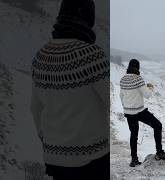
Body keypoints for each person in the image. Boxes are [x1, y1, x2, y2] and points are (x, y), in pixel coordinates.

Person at [30, 0, 109, 179]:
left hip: (53, 158)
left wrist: (48, 140)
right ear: (88, 18)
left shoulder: (40, 57)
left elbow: (35, 108)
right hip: (91, 158)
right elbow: (111, 101)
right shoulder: (92, 56)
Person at [120, 59, 165, 167]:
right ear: (137, 68)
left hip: (128, 112)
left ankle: (134, 160)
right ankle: (159, 152)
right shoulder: (138, 79)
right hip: (139, 111)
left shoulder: (123, 79)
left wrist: (126, 107)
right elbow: (147, 95)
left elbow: (121, 96)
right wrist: (150, 87)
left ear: (129, 67)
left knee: (133, 135)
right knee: (158, 125)